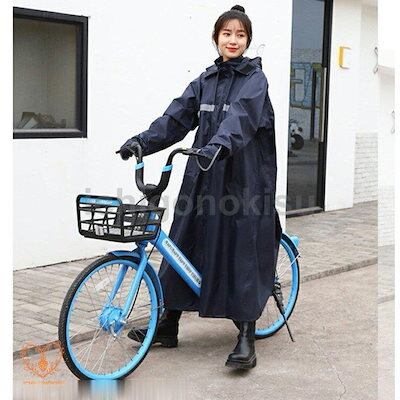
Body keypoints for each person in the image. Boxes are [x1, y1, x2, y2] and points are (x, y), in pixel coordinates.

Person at [119, 5, 282, 369]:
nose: (233, 40)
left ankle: (246, 336)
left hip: (243, 179)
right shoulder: (205, 81)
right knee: (184, 239)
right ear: (216, 38)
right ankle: (168, 324)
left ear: (248, 40)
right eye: (227, 34)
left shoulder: (255, 80)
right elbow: (176, 117)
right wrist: (142, 141)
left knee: (240, 250)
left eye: (240, 35)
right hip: (204, 173)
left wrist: (219, 145)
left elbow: (241, 118)